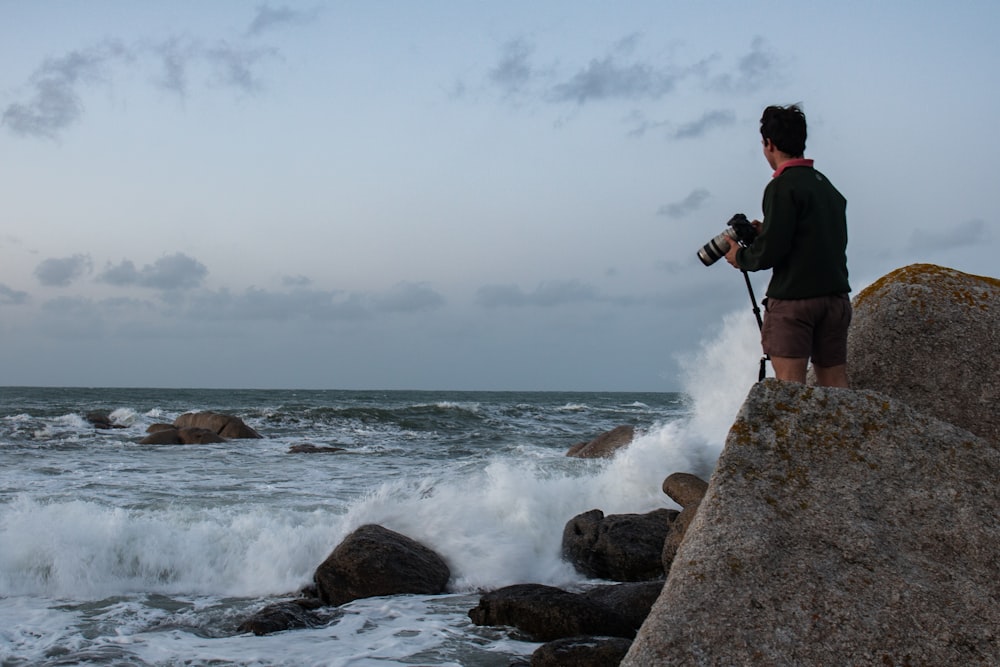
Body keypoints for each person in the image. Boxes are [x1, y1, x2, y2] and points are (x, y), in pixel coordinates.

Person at [724, 104, 851, 387]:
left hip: (795, 301)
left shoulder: (782, 186)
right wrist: (766, 230)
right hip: (835, 299)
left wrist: (740, 256)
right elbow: (810, 238)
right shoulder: (826, 187)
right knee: (836, 389)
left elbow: (770, 252)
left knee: (790, 390)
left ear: (768, 144)